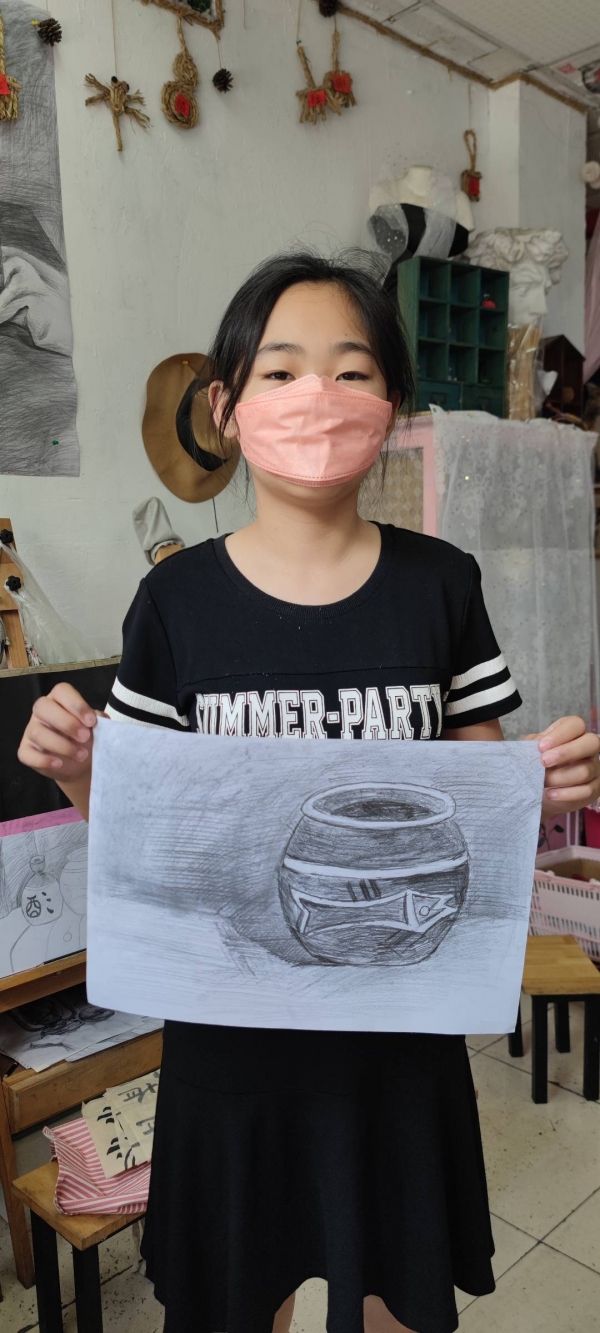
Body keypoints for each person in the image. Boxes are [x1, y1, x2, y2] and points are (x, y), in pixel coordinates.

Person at [18, 253, 600, 1333]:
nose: (316, 397)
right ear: (225, 408)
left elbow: (485, 808)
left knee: (392, 1299)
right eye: (280, 371)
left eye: (352, 371)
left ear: (391, 402)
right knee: (241, 1300)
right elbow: (143, 835)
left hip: (400, 1048)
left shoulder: (443, 585)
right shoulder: (174, 602)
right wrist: (81, 769)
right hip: (232, 1051)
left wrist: (545, 783)